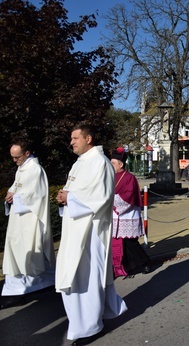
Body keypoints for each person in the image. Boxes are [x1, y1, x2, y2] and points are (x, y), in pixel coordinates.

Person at [55, 124, 127, 342]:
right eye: (71, 138)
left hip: (91, 231)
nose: (72, 142)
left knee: (86, 278)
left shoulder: (100, 163)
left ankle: (91, 326)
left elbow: (101, 197)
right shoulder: (79, 163)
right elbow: (75, 191)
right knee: (74, 277)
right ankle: (80, 323)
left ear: (88, 138)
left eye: (75, 138)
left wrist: (70, 198)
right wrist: (64, 196)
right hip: (75, 229)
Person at [2, 140, 55, 306]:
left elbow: (36, 196)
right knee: (20, 252)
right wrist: (11, 194)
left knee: (26, 253)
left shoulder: (35, 170)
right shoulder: (21, 169)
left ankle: (20, 289)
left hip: (30, 220)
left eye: (17, 157)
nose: (15, 160)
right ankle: (42, 282)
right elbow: (17, 188)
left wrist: (15, 197)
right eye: (12, 157)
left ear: (27, 153)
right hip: (18, 219)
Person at [110, 147, 151, 278]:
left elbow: (129, 196)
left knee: (130, 243)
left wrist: (111, 201)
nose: (111, 165)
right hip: (114, 215)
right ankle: (126, 266)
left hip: (127, 213)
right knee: (118, 243)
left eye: (113, 163)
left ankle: (145, 262)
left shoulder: (129, 178)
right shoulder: (109, 176)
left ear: (121, 164)